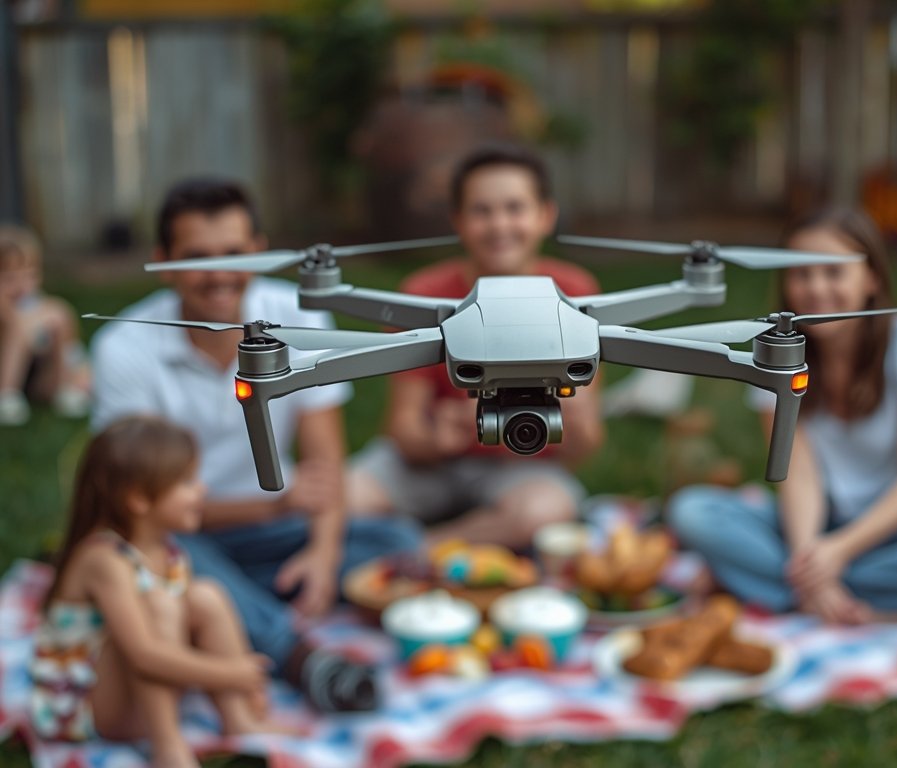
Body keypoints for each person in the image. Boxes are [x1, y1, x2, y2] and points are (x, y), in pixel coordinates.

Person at [91, 178, 421, 712]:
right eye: (197, 258)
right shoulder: (123, 346)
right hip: (178, 532)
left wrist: (323, 553)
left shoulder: (298, 314)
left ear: (260, 253)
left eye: (235, 254)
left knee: (397, 540)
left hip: (273, 532)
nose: (220, 274)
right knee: (155, 556)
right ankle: (300, 658)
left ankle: (228, 601)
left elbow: (325, 460)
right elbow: (143, 507)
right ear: (164, 263)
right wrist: (276, 506)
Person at [668, 206, 897, 627]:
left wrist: (838, 553)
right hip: (818, 525)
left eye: (834, 272)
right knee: (692, 510)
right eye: (801, 273)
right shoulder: (773, 357)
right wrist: (810, 556)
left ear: (872, 278)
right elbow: (799, 478)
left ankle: (780, 590)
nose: (816, 288)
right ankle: (872, 608)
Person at [346, 144, 606, 549]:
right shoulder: (423, 295)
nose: (499, 225)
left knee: (546, 511)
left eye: (515, 208)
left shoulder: (576, 292)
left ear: (545, 215)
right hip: (433, 465)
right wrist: (437, 437)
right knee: (344, 498)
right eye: (482, 210)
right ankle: (458, 541)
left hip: (522, 466)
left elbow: (584, 444)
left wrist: (574, 417)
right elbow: (403, 429)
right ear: (459, 220)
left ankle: (418, 549)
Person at [32, 416, 283, 768]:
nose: (201, 490)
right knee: (161, 605)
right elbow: (144, 655)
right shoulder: (104, 559)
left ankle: (238, 718)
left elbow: (191, 630)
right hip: (86, 709)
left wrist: (247, 688)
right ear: (138, 498)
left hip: (140, 697)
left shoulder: (170, 551)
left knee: (205, 595)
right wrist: (231, 673)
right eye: (187, 481)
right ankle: (169, 749)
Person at [0, 224, 91, 425]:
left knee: (59, 314)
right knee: (20, 323)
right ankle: (6, 395)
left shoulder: (36, 304)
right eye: (9, 278)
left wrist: (79, 371)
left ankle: (65, 390)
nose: (22, 286)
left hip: (38, 376)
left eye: (30, 275)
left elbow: (67, 348)